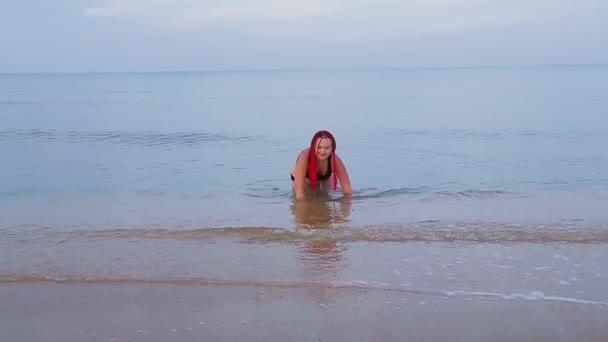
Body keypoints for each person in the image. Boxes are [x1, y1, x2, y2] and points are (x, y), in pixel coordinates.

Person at [290, 130, 352, 200]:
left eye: (327, 148)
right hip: (305, 181)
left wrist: (347, 207)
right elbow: (299, 190)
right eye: (319, 147)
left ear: (332, 148)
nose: (322, 152)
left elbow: (347, 187)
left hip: (325, 179)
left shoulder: (335, 160)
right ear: (313, 146)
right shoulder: (304, 157)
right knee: (307, 200)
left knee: (326, 198)